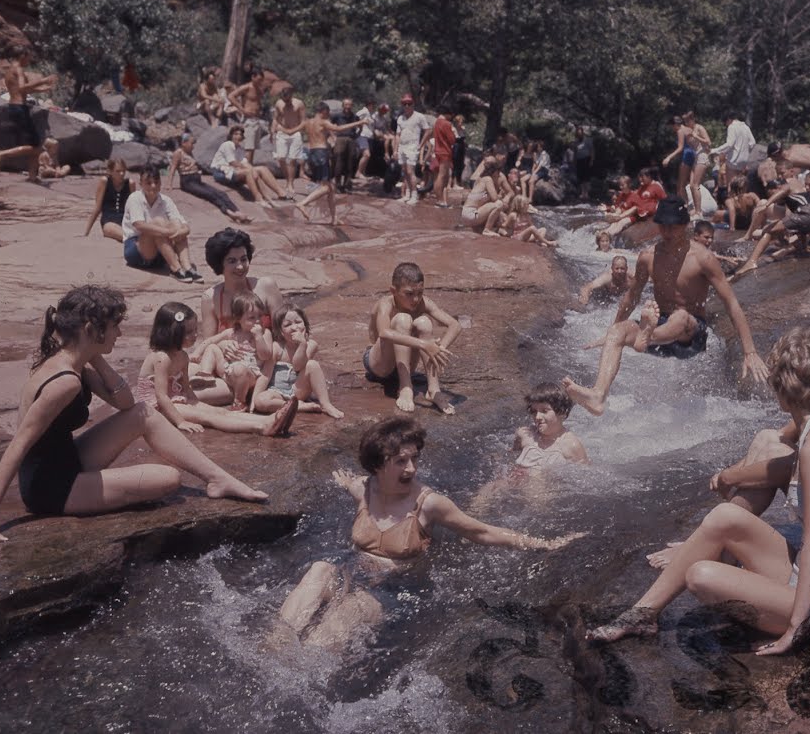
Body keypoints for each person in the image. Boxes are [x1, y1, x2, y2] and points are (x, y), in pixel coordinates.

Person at [587, 326, 810, 653]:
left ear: (780, 391)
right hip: (807, 577)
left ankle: (781, 610)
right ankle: (642, 614)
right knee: (725, 516)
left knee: (701, 576)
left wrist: (794, 628)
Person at [0, 285, 267, 549]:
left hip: (66, 459)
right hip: (50, 487)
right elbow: (17, 446)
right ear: (91, 329)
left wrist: (95, 354)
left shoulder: (75, 364)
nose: (120, 332)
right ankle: (216, 480)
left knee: (143, 413)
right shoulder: (64, 382)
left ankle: (218, 479)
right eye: (114, 325)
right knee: (169, 479)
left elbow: (127, 403)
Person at [276, 417, 583, 648]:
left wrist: (544, 544)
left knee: (341, 617)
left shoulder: (430, 504)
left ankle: (301, 672)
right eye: (400, 461)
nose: (411, 468)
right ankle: (274, 647)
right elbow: (353, 483)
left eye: (415, 458)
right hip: (352, 568)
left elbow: (483, 532)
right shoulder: (364, 490)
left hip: (394, 588)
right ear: (377, 466)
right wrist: (345, 482)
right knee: (319, 569)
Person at [653, 323, 810, 571]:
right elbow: (780, 435)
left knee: (777, 457)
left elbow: (792, 467)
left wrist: (732, 476)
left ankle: (710, 543)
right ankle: (714, 540)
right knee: (767, 439)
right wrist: (730, 470)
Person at [563, 198, 768, 416]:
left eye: (674, 226)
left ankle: (647, 335)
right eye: (663, 226)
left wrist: (750, 351)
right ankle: (598, 395)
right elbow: (632, 297)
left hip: (690, 336)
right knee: (617, 331)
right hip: (659, 329)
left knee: (679, 316)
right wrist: (613, 333)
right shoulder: (648, 257)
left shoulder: (703, 258)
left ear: (686, 225)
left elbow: (731, 302)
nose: (667, 232)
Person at [137, 301, 281, 434]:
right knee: (208, 417)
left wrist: (197, 404)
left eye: (195, 330)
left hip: (175, 399)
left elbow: (186, 388)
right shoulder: (162, 358)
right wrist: (180, 422)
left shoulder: (182, 357)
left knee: (219, 411)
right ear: (171, 332)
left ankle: (269, 419)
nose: (195, 335)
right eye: (188, 332)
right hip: (157, 407)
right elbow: (161, 396)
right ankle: (261, 427)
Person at [364, 262, 462, 414]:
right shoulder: (385, 303)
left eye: (420, 293)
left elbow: (455, 325)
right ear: (393, 291)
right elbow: (383, 333)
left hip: (406, 364)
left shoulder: (423, 303)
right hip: (380, 364)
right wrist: (424, 344)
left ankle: (433, 390)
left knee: (424, 322)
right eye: (409, 294)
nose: (416, 299)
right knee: (402, 319)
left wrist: (439, 349)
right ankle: (405, 387)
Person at [250, 304, 345, 420]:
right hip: (277, 393)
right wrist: (254, 399)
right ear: (280, 331)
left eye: (298, 322)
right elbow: (266, 375)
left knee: (312, 365)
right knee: (261, 401)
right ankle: (297, 407)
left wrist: (302, 344)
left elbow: (297, 365)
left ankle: (325, 404)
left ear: (305, 324)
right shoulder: (277, 348)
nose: (294, 327)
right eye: (288, 325)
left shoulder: (311, 345)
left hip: (298, 390)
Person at [282, 102, 365, 224]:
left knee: (330, 188)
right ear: (323, 111)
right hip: (321, 153)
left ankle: (334, 218)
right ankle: (302, 203)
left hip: (312, 153)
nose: (329, 114)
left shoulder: (306, 122)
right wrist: (359, 123)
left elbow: (290, 131)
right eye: (328, 112)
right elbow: (338, 129)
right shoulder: (323, 122)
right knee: (326, 187)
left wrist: (279, 127)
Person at [733, 165, 810, 277]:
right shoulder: (799, 187)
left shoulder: (790, 182)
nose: (780, 176)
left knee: (769, 231)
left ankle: (751, 262)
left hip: (805, 214)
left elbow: (784, 190)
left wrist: (766, 204)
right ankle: (802, 251)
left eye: (781, 173)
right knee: (800, 229)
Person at [198, 227, 283, 339]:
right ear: (219, 264)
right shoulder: (211, 298)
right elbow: (208, 343)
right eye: (232, 261)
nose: (240, 267)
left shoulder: (266, 286)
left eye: (243, 259)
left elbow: (283, 333)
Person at [121, 165, 200, 283]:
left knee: (176, 223)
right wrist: (168, 232)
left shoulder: (165, 200)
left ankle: (187, 267)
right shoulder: (135, 198)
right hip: (136, 249)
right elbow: (139, 225)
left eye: (156, 182)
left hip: (160, 249)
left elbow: (183, 224)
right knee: (159, 222)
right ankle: (175, 268)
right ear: (141, 183)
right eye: (148, 183)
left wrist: (183, 230)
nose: (153, 186)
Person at [194, 291, 271, 411]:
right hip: (227, 370)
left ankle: (239, 401)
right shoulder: (232, 332)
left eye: (260, 315)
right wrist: (196, 353)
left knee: (240, 369)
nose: (257, 321)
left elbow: (265, 356)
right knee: (212, 347)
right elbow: (210, 341)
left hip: (249, 375)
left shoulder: (265, 333)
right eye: (252, 317)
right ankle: (205, 374)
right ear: (238, 318)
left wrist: (258, 337)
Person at [0, 52, 59, 181]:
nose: (30, 60)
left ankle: (33, 177)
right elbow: (22, 88)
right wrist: (42, 80)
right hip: (20, 108)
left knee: (35, 146)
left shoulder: (10, 70)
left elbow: (22, 90)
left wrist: (42, 89)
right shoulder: (19, 69)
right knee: (36, 147)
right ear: (22, 55)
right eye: (29, 57)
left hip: (15, 107)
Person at [170, 133, 253, 224]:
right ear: (183, 143)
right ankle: (230, 213)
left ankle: (237, 212)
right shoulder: (178, 153)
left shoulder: (189, 152)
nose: (193, 146)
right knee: (210, 195)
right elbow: (173, 168)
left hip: (197, 180)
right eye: (191, 143)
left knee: (221, 193)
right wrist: (169, 184)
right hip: (188, 182)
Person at [210, 124, 288, 208]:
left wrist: (253, 170)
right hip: (221, 172)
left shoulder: (239, 148)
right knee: (248, 172)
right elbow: (233, 163)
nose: (238, 136)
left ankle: (278, 194)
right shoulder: (228, 145)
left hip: (233, 170)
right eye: (235, 134)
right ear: (231, 135)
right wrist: (250, 170)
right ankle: (259, 199)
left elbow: (244, 163)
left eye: (240, 134)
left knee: (262, 169)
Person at [269, 81, 308, 194]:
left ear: (291, 96)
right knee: (281, 158)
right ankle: (287, 180)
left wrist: (293, 130)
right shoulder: (279, 103)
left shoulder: (299, 104)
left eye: (287, 99)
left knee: (292, 159)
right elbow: (275, 118)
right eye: (284, 98)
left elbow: (304, 121)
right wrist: (272, 131)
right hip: (282, 131)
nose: (285, 101)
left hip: (295, 132)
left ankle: (290, 183)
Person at [226, 69, 271, 166]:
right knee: (248, 147)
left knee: (253, 147)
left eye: (261, 80)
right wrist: (242, 109)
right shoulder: (246, 87)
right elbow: (231, 96)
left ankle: (250, 166)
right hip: (248, 120)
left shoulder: (259, 89)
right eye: (258, 79)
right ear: (253, 77)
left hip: (257, 119)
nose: (260, 82)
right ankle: (247, 169)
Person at [84, 158, 134, 243]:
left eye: (123, 171)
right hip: (109, 219)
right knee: (110, 229)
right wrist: (87, 230)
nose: (121, 174)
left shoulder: (130, 183)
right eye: (118, 171)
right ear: (110, 171)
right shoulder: (104, 182)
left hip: (125, 218)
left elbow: (134, 206)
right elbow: (98, 207)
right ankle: (131, 240)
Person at [394, 94, 430, 205]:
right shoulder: (400, 118)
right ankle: (407, 194)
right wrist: (395, 149)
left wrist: (421, 144)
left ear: (413, 104)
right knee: (404, 172)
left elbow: (428, 131)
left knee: (410, 171)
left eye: (409, 104)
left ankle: (414, 195)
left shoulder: (419, 117)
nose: (407, 106)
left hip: (412, 146)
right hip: (402, 146)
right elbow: (397, 135)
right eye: (404, 104)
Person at [462, 158, 508, 235]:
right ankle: (487, 230)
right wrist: (501, 196)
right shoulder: (488, 179)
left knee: (493, 206)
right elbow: (495, 198)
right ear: (495, 172)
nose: (499, 175)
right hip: (472, 214)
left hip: (466, 214)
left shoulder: (480, 179)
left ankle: (481, 228)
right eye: (498, 173)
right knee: (499, 204)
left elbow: (481, 199)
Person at [713, 113, 756, 185]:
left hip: (733, 160)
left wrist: (714, 150)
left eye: (725, 123)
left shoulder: (732, 127)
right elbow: (752, 143)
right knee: (740, 185)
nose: (726, 125)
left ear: (729, 120)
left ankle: (731, 195)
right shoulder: (746, 127)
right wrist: (745, 152)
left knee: (731, 185)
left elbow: (730, 144)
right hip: (743, 161)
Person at [426, 108, 457, 207]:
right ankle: (440, 200)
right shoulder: (446, 124)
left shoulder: (436, 123)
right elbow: (452, 139)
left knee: (438, 176)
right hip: (445, 151)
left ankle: (439, 199)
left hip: (437, 150)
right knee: (442, 175)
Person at [332, 97, 362, 193]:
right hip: (340, 139)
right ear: (343, 106)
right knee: (339, 162)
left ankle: (347, 184)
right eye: (346, 105)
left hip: (351, 139)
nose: (348, 107)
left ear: (352, 106)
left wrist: (358, 134)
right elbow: (329, 126)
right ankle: (337, 184)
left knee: (350, 162)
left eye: (350, 105)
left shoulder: (355, 116)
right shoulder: (337, 116)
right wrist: (333, 137)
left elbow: (360, 126)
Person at [573, 126, 595, 200]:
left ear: (582, 133)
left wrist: (591, 160)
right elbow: (575, 152)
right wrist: (574, 161)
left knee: (587, 177)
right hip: (579, 160)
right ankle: (582, 193)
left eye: (580, 133)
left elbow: (592, 150)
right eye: (578, 133)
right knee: (581, 177)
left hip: (586, 159)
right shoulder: (576, 142)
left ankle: (587, 193)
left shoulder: (587, 140)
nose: (579, 134)